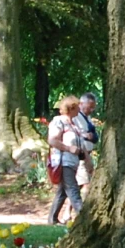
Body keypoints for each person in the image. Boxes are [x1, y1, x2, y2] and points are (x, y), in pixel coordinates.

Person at [46, 96, 84, 224]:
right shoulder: (59, 122)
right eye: (78, 106)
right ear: (71, 108)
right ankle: (83, 218)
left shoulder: (74, 124)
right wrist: (68, 148)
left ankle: (52, 219)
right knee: (73, 190)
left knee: (62, 192)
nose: (80, 109)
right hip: (64, 162)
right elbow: (52, 140)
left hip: (73, 163)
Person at [74, 94, 99, 192]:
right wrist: (85, 135)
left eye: (93, 107)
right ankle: (81, 206)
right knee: (85, 184)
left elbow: (93, 135)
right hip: (80, 155)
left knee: (80, 184)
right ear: (81, 104)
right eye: (90, 107)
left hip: (88, 153)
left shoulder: (87, 118)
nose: (91, 110)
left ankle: (69, 207)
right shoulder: (75, 117)